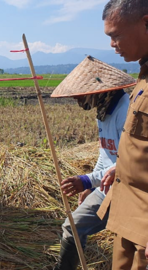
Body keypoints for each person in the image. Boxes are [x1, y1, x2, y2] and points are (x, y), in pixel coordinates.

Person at [50, 56, 133, 270]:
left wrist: (87, 181)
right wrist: (90, 186)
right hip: (105, 186)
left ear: (98, 91)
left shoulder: (125, 111)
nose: (77, 99)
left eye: (80, 94)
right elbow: (105, 154)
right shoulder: (104, 112)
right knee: (72, 227)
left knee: (127, 243)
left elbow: (127, 160)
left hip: (125, 188)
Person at [95, 1, 148, 268]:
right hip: (128, 210)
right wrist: (122, 167)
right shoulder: (143, 75)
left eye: (116, 35)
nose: (113, 44)